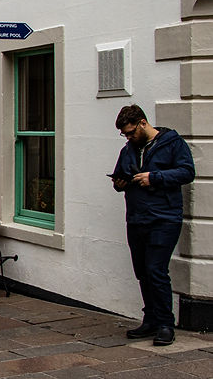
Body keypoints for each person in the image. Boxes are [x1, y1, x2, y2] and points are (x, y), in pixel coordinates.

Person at [111, 104, 194, 346]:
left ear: (143, 123)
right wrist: (119, 183)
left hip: (164, 217)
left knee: (156, 270)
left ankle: (166, 324)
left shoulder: (172, 143)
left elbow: (187, 172)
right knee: (143, 272)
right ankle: (151, 320)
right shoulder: (128, 150)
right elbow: (119, 177)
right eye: (124, 134)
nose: (128, 137)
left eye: (130, 132)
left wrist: (154, 177)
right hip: (136, 217)